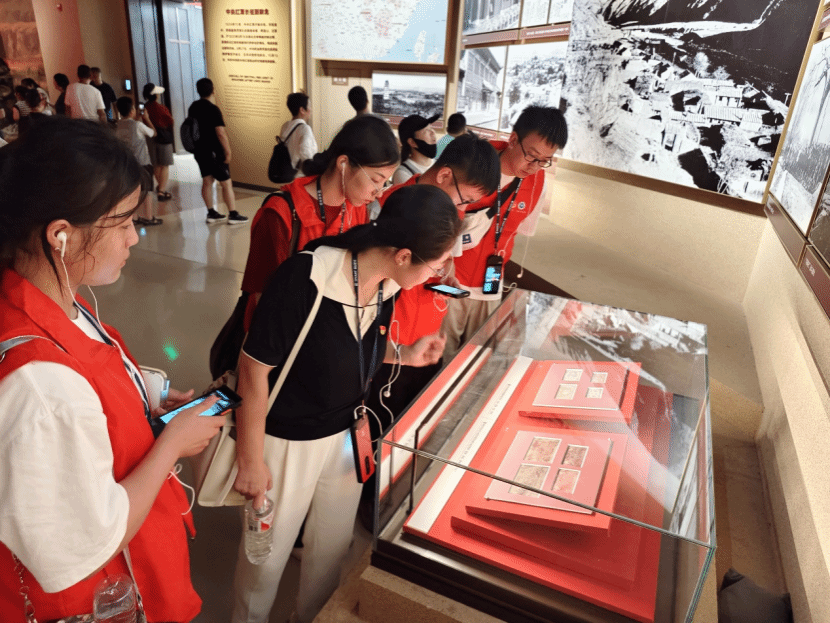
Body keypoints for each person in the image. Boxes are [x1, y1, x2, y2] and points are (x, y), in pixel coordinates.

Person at [0, 117, 224, 622]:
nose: (134, 238)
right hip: (101, 597)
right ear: (60, 234)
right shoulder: (40, 387)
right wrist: (172, 444)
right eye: (122, 222)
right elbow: (85, 540)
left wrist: (143, 402)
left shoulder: (52, 302)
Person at [231, 184, 462, 623]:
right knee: (266, 557)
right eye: (438, 264)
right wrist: (251, 459)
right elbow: (253, 370)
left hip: (346, 437)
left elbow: (352, 350)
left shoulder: (386, 286)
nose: (441, 273)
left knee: (331, 549)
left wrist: (405, 354)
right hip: (287, 440)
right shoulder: (307, 278)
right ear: (403, 255)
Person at [240, 114, 399, 331]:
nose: (378, 193)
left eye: (385, 183)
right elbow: (263, 297)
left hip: (328, 330)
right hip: (285, 334)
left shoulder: (356, 209)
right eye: (375, 180)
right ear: (343, 163)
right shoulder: (281, 213)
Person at [441, 105, 568, 358]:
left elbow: (520, 229)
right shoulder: (474, 163)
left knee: (479, 354)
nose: (534, 166)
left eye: (545, 161)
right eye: (531, 156)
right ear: (513, 140)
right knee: (442, 352)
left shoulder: (537, 182)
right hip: (451, 277)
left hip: (491, 281)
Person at [188, 77, 248, 224]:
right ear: (213, 91)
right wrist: (228, 152)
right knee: (226, 183)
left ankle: (211, 213)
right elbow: (220, 133)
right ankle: (233, 214)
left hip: (199, 151)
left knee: (207, 181)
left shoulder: (193, 107)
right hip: (214, 152)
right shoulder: (213, 109)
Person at [116, 96, 162, 226]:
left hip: (127, 164)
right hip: (143, 163)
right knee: (147, 191)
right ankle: (149, 217)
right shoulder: (138, 125)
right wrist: (147, 119)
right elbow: (153, 133)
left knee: (132, 191)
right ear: (132, 110)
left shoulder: (118, 125)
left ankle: (135, 218)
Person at [142, 83, 175, 201]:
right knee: (164, 165)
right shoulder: (161, 108)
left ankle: (161, 188)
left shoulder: (143, 108)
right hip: (163, 137)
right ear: (155, 95)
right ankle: (161, 191)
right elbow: (170, 121)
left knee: (156, 164)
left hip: (149, 137)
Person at [391, 113, 439, 185]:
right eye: (426, 131)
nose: (433, 133)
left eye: (431, 128)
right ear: (412, 142)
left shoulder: (439, 165)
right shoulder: (403, 173)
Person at [280, 92, 318, 176]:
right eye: (309, 106)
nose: (311, 109)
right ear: (302, 110)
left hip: (287, 172)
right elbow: (306, 154)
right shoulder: (305, 129)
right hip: (300, 175)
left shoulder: (285, 126)